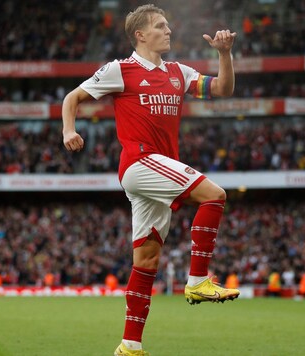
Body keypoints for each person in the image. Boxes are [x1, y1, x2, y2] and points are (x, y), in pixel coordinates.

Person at [62, 4, 239, 355]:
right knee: (214, 195)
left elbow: (222, 89)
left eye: (168, 25)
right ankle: (198, 280)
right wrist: (69, 128)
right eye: (161, 26)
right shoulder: (120, 70)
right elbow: (73, 97)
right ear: (140, 35)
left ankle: (130, 345)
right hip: (140, 162)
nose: (168, 31)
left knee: (146, 263)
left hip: (158, 169)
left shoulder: (178, 72)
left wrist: (225, 54)